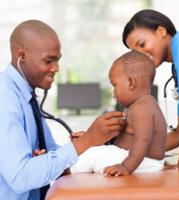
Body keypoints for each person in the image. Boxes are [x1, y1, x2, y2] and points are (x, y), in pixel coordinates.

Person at [0, 20, 125, 200]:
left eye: (57, 60)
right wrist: (87, 141)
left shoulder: (27, 97)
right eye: (48, 60)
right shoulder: (4, 99)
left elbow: (56, 160)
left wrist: (88, 143)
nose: (56, 68)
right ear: (21, 55)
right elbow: (21, 177)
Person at [122, 9, 179, 171]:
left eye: (142, 44)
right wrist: (128, 149)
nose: (142, 54)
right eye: (136, 53)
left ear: (161, 31)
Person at [70, 50, 167, 176]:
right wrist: (90, 138)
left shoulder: (142, 109)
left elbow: (143, 141)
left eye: (114, 85)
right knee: (94, 150)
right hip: (135, 158)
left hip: (142, 162)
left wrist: (125, 166)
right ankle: (65, 161)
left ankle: (63, 168)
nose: (113, 92)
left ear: (131, 83)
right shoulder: (137, 106)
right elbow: (126, 138)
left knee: (94, 155)